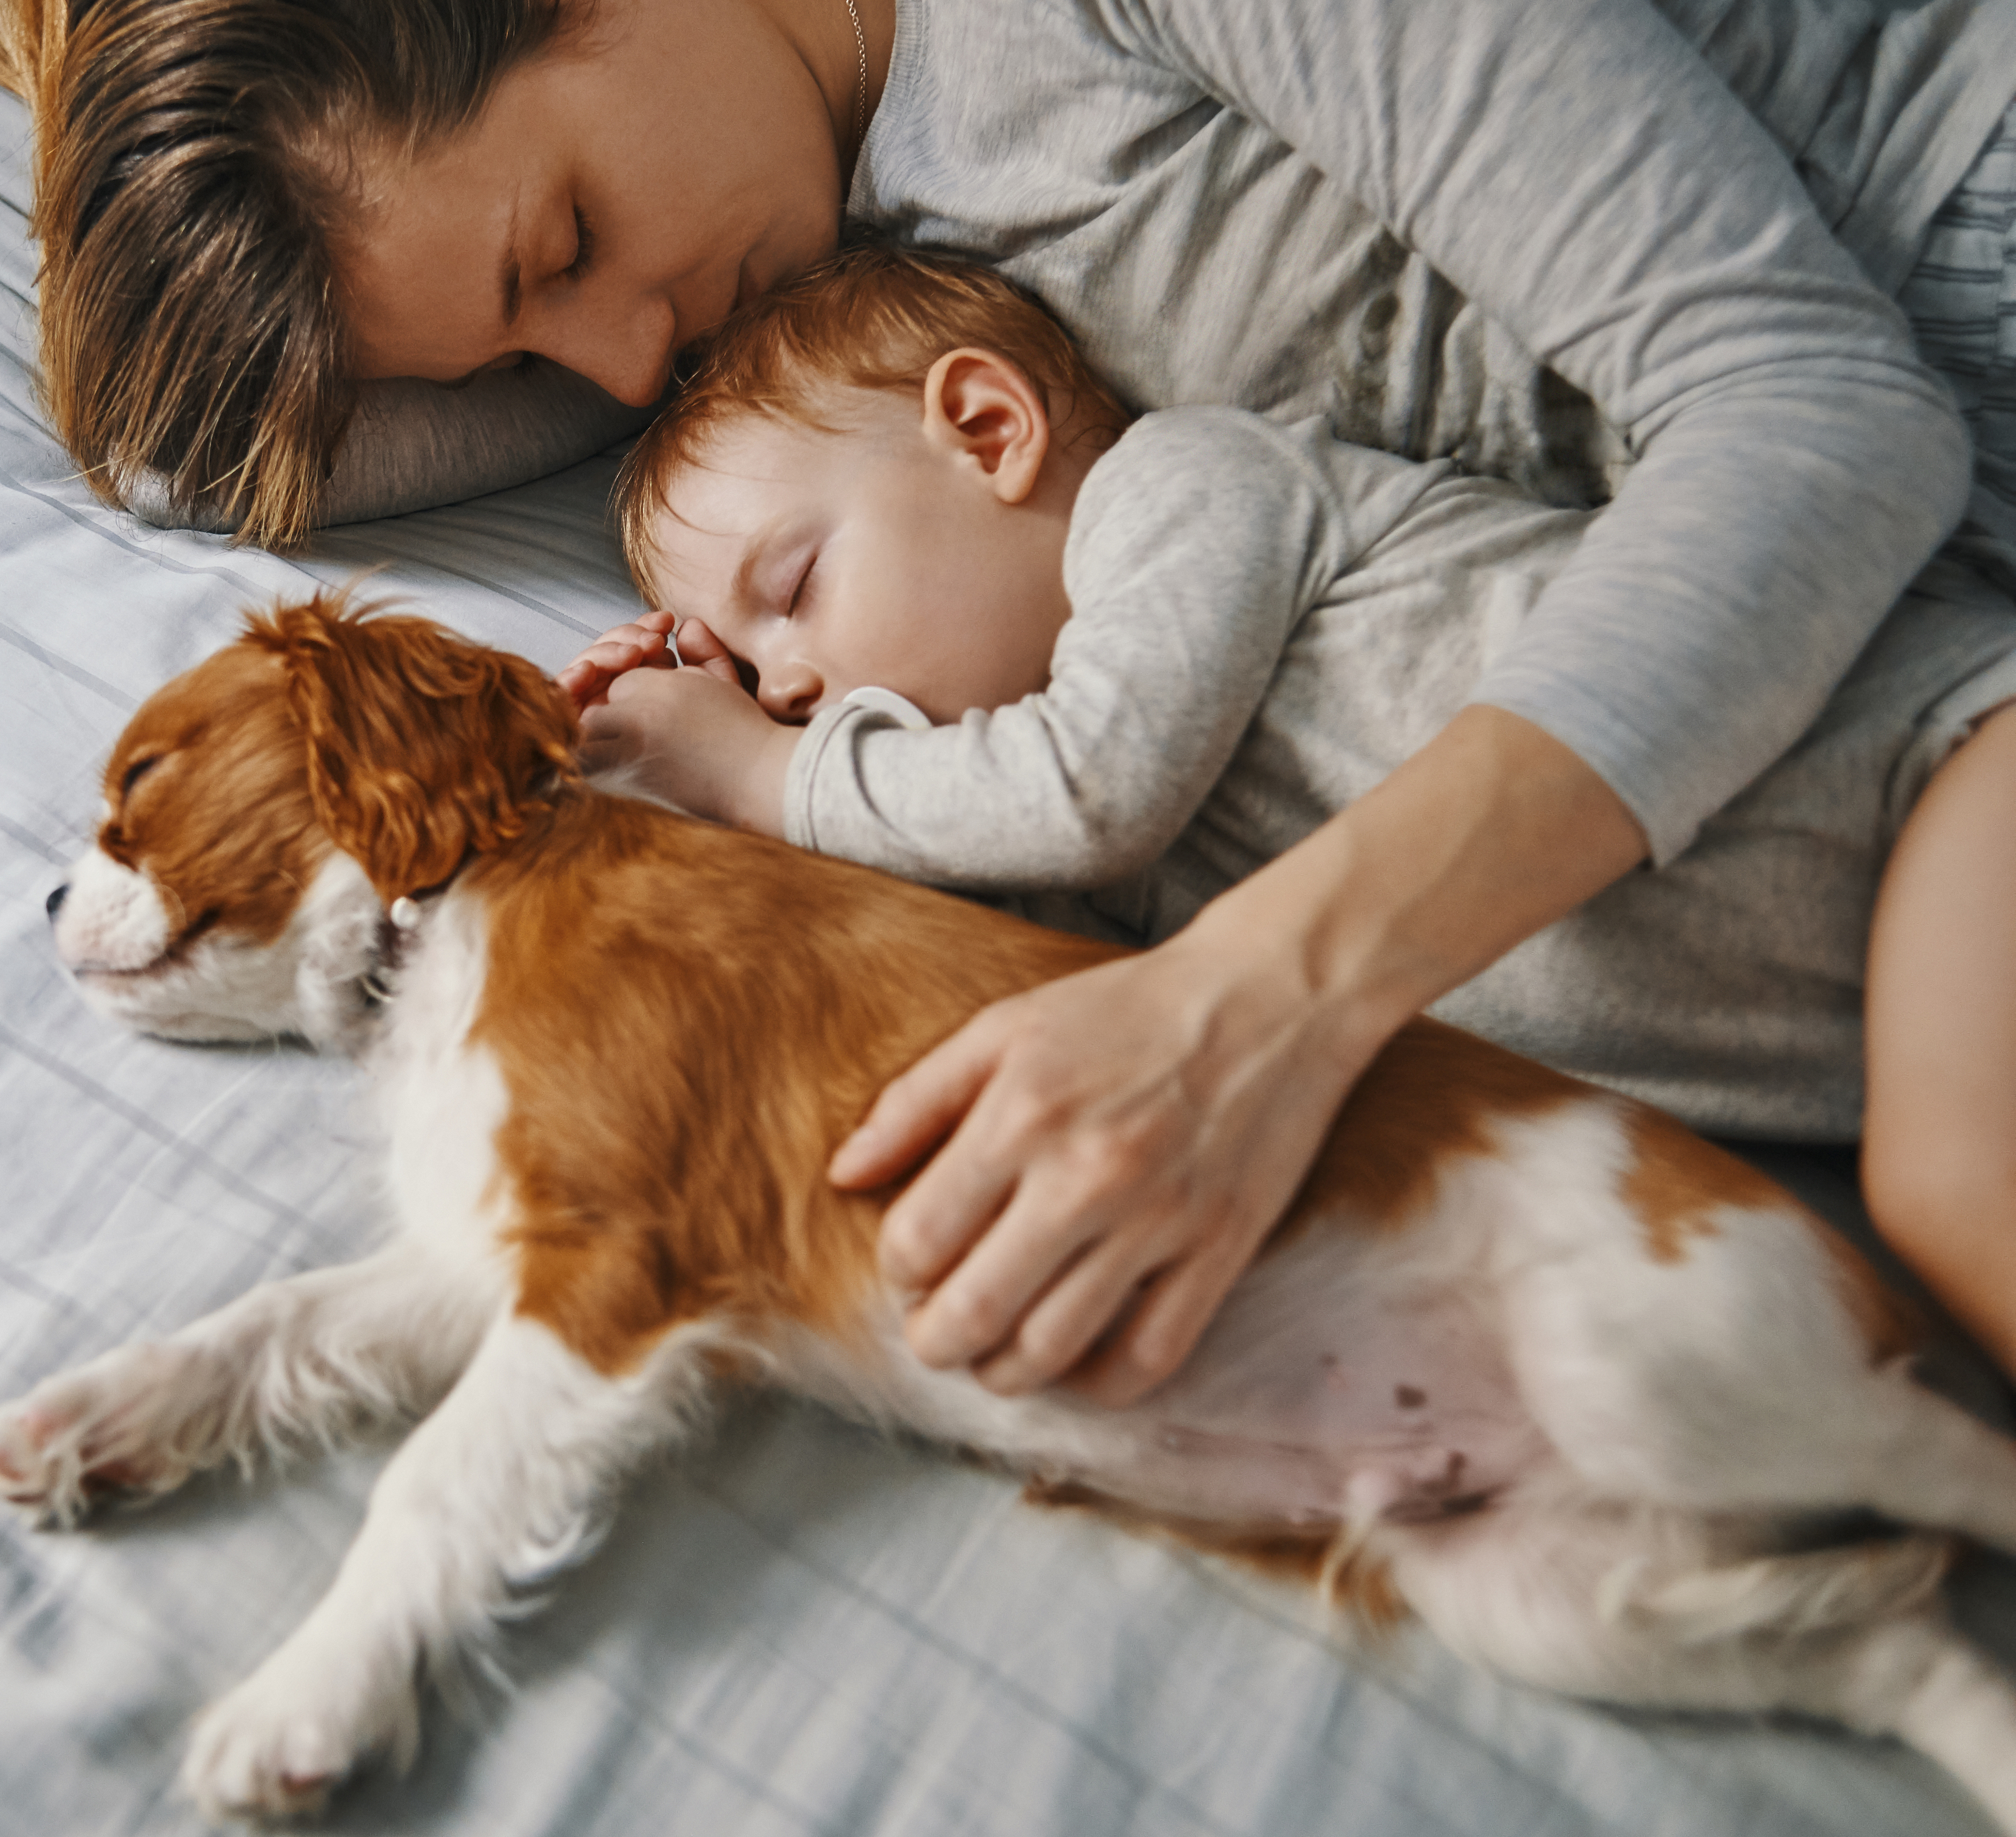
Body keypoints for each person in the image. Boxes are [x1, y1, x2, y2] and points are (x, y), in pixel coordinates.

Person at [0, 0, 2016, 1404]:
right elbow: (184, 450)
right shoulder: (776, 307)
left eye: (565, 247)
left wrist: (1256, 1002)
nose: (614, 359)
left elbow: (1811, 405)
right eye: (531, 335)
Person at [556, 238, 2016, 1380]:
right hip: (1866, 1014)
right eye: (756, 672)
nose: (797, 689)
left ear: (989, 430)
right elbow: (952, 876)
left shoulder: (1189, 489)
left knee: (1955, 1195)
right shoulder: (1089, 878)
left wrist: (753, 768)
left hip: (1951, 758)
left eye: (793, 595)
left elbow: (1084, 790)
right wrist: (686, 764)